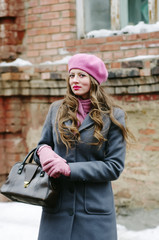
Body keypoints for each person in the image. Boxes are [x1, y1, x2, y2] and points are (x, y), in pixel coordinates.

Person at [34, 53, 132, 240]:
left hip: (94, 214)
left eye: (82, 75)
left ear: (94, 80)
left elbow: (114, 167)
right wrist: (44, 152)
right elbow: (43, 145)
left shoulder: (113, 116)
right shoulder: (57, 109)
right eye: (72, 75)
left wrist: (70, 169)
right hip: (57, 209)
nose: (75, 80)